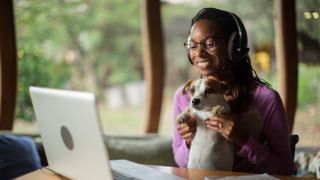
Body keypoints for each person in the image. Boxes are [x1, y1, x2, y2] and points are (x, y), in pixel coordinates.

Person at [171, 7, 293, 175]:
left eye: (209, 43)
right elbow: (179, 160)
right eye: (192, 45)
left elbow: (284, 168)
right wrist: (190, 141)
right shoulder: (185, 97)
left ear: (234, 45)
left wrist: (244, 140)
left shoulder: (266, 100)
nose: (198, 52)